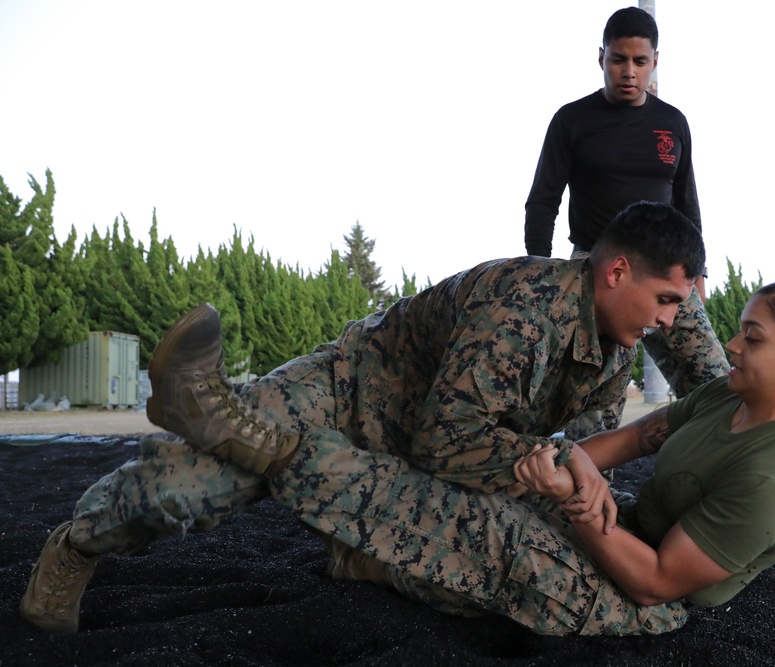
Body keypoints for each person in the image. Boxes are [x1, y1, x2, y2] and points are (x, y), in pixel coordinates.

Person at [21, 274, 775, 637]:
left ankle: (273, 451)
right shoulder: (724, 392)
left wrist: (575, 501)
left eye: (748, 336)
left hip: (639, 592)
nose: (718, 341)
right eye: (724, 324)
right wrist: (572, 464)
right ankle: (341, 532)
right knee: (478, 498)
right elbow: (639, 436)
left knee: (464, 525)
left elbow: (658, 580)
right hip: (598, 519)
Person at [20, 201, 706, 635]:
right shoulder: (526, 308)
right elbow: (449, 442)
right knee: (190, 490)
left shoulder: (614, 351)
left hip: (444, 446)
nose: (671, 321)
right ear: (616, 272)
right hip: (355, 391)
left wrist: (572, 472)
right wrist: (559, 465)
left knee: (505, 561)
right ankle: (78, 543)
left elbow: (573, 453)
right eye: (667, 299)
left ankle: (358, 550)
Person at [524, 6, 728, 400]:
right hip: (595, 272)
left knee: (714, 384)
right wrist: (542, 271)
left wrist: (697, 272)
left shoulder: (673, 122)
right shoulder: (572, 120)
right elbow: (543, 200)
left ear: (655, 61)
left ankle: (717, 459)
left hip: (668, 268)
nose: (629, 71)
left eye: (640, 61)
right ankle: (594, 463)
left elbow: (687, 202)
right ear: (601, 57)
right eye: (618, 59)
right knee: (592, 402)